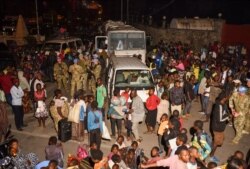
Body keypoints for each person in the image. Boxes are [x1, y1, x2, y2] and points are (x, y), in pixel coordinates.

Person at [210, 92, 229, 163]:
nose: (228, 98)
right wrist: (228, 116)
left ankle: (210, 148)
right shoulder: (219, 106)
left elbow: (224, 112)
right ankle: (211, 156)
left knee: (216, 140)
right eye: (227, 97)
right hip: (218, 128)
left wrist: (229, 113)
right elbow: (220, 119)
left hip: (217, 126)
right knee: (217, 143)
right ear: (224, 98)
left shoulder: (222, 103)